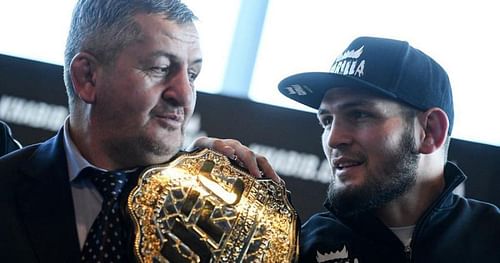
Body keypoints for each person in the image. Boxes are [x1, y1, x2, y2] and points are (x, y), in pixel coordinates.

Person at [0, 1, 279, 262]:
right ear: (87, 77)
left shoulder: (218, 212)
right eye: (160, 68)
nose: (184, 95)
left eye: (192, 75)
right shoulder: (6, 186)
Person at [278, 36, 500, 262]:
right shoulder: (299, 248)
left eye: (359, 114)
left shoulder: (492, 238)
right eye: (326, 121)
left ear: (430, 131)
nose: (334, 139)